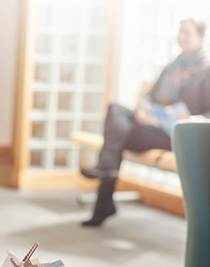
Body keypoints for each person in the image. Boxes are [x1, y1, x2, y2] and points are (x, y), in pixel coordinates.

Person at [80, 18, 210, 227]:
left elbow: (207, 113)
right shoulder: (173, 66)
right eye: (180, 32)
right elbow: (149, 96)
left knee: (116, 136)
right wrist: (143, 110)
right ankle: (106, 176)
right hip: (152, 124)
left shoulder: (206, 70)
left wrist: (193, 118)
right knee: (115, 111)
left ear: (201, 38)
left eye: (187, 33)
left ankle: (105, 186)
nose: (181, 37)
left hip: (174, 132)